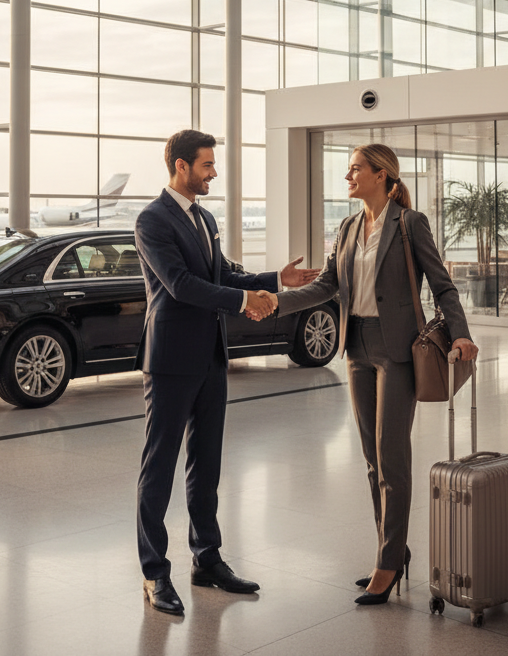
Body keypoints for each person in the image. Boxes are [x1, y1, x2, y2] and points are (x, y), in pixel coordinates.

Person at [272, 143, 477, 605]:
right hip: (356, 347)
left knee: (391, 457)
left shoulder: (409, 223)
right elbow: (327, 285)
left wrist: (462, 334)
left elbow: (442, 285)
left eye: (355, 169)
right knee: (371, 458)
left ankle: (387, 564)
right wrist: (277, 302)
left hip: (397, 349)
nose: (348, 177)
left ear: (382, 175)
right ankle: (393, 550)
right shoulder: (347, 227)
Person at [134, 129, 319, 615]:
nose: (213, 173)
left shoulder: (204, 218)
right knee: (159, 467)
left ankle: (207, 559)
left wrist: (275, 280)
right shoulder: (152, 220)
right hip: (171, 360)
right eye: (206, 165)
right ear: (180, 166)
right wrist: (244, 300)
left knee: (206, 463)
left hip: (211, 356)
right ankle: (154, 573)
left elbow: (221, 274)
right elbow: (181, 285)